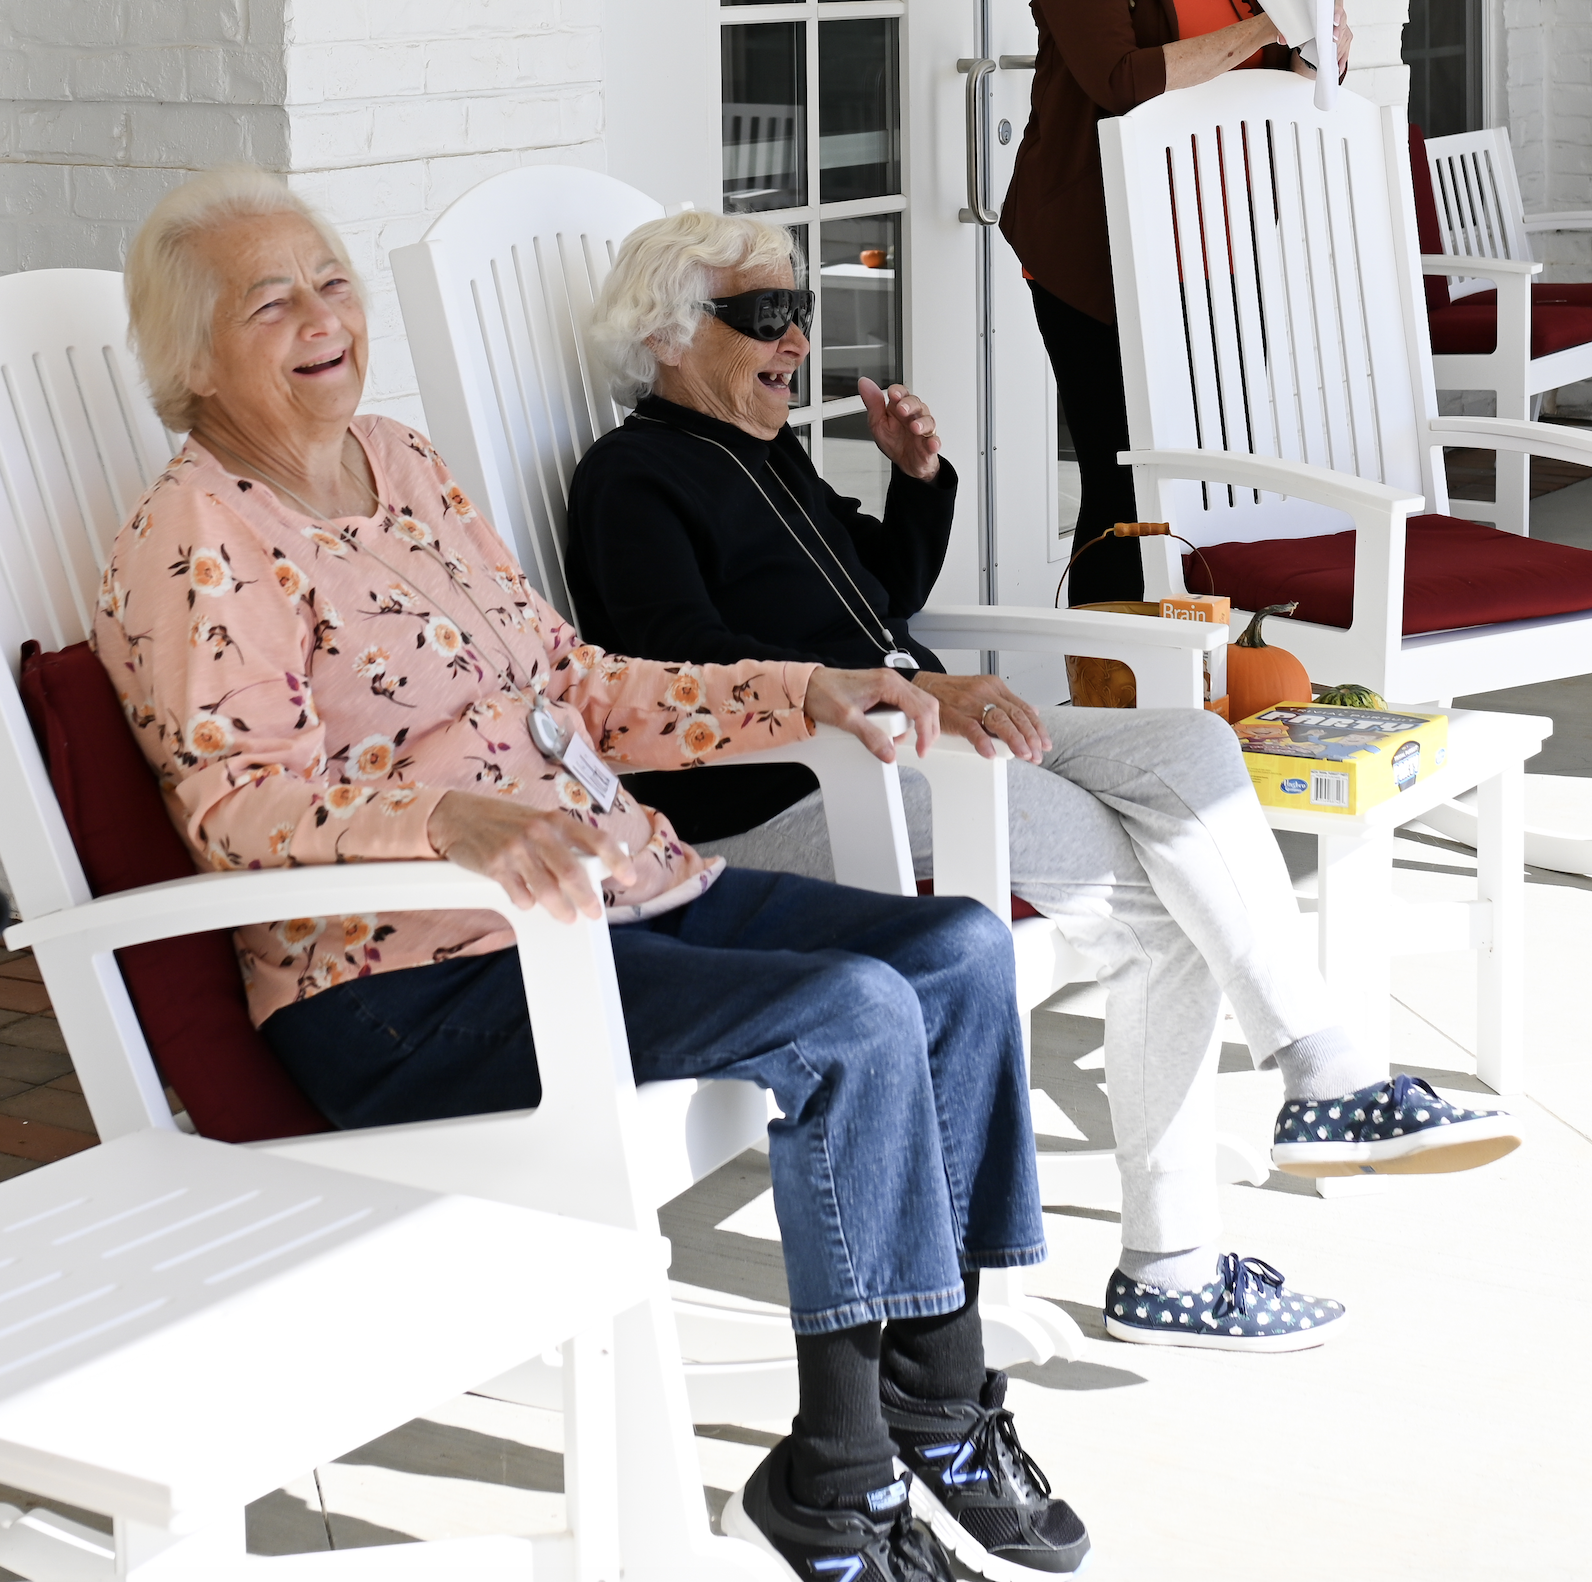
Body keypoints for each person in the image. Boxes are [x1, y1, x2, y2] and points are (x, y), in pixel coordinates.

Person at [98, 165, 1091, 1582]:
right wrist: (448, 819)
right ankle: (854, 1467)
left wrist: (804, 685)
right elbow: (235, 797)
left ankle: (925, 1402)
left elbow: (576, 682)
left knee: (957, 952)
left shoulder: (405, 460)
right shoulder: (196, 535)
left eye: (332, 279)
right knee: (855, 1014)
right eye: (273, 300)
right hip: (411, 979)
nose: (323, 315)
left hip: (617, 890)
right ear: (193, 358)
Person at [564, 209, 1524, 1352]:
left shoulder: (764, 455)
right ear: (671, 335)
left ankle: (1323, 1070)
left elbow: (883, 594)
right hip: (792, 795)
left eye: (801, 311)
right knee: (1156, 901)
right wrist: (889, 689)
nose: (798, 341)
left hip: (908, 731)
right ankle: (1173, 1259)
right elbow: (683, 673)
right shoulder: (633, 480)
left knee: (1192, 752)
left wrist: (915, 480)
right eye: (768, 315)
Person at [1000, 0, 1352, 604]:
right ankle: (1112, 690)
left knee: (1217, 482)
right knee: (1123, 487)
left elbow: (1293, 81)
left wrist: (1321, 45)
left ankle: (1202, 678)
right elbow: (1122, 80)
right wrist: (1279, 22)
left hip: (1223, 250)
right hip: (1100, 253)